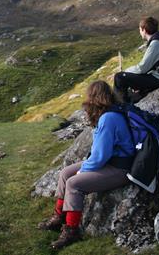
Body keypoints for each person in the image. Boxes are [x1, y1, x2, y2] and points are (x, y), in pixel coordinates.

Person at [38, 80, 135, 249]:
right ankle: (58, 217)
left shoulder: (108, 118)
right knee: (65, 173)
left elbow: (99, 157)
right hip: (110, 162)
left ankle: (71, 231)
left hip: (119, 168)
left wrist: (82, 171)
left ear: (94, 98)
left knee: (74, 183)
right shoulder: (108, 114)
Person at [114, 17, 159, 103]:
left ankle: (122, 107)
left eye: (140, 30)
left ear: (144, 30)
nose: (140, 32)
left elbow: (142, 68)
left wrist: (127, 71)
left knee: (119, 77)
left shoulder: (156, 44)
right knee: (132, 91)